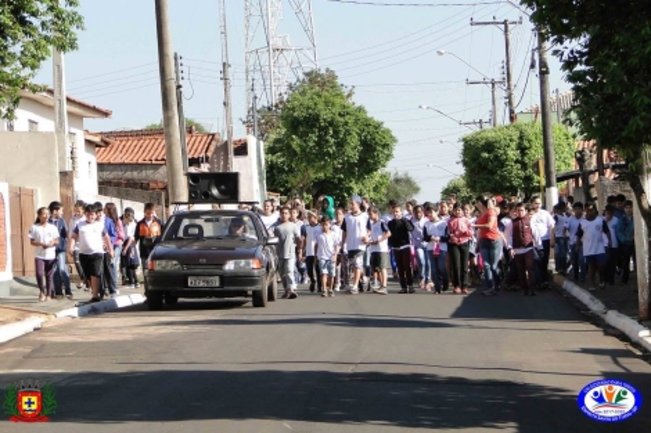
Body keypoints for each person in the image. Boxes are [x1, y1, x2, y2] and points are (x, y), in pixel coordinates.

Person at [68, 204, 113, 302]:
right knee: (87, 275)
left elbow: (107, 238)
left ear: (96, 215)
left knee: (95, 273)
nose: (90, 216)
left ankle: (95, 295)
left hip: (97, 253)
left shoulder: (100, 225)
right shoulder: (80, 225)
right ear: (85, 214)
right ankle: (95, 291)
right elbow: (73, 237)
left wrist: (111, 250)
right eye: (88, 214)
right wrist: (71, 247)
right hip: (83, 254)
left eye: (92, 214)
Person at [577, 203, 610, 291]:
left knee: (601, 265)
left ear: (595, 210)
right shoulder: (582, 223)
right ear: (585, 211)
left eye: (591, 210)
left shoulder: (600, 220)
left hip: (600, 248)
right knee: (591, 267)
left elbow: (607, 232)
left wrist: (609, 242)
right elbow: (578, 235)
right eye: (587, 210)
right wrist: (577, 245)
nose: (589, 212)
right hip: (588, 249)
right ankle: (592, 284)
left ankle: (602, 280)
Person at [29, 207, 59, 302]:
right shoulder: (34, 227)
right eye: (44, 214)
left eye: (47, 214)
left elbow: (57, 240)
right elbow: (32, 242)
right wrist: (41, 244)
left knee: (49, 275)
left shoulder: (53, 227)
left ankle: (49, 294)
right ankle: (42, 291)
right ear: (39, 215)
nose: (46, 216)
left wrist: (51, 243)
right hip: (39, 255)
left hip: (50, 254)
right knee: (39, 273)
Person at [473, 195, 502, 296]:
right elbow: (481, 231)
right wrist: (478, 243)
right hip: (483, 241)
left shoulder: (491, 212)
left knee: (493, 266)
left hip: (494, 241)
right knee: (486, 265)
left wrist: (474, 225)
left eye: (477, 202)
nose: (476, 204)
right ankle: (489, 287)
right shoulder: (481, 214)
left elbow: (490, 225)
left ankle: (497, 284)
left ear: (481, 202)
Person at [341, 196, 370, 295]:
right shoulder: (347, 217)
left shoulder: (365, 216)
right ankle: (364, 278)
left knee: (357, 263)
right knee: (354, 265)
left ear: (358, 204)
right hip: (350, 245)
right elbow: (344, 231)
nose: (351, 206)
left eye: (352, 204)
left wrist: (367, 236)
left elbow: (370, 229)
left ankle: (355, 285)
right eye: (350, 204)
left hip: (360, 245)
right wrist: (342, 243)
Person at [274, 206, 302, 299]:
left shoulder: (293, 226)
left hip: (290, 253)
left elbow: (298, 238)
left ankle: (291, 289)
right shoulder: (276, 227)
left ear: (289, 215)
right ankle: (287, 289)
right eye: (282, 213)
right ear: (280, 214)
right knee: (282, 273)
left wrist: (300, 249)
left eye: (286, 213)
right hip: (279, 253)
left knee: (289, 270)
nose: (284, 215)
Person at [511, 203, 538, 296]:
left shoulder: (530, 221)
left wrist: (539, 246)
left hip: (528, 248)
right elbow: (508, 236)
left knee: (530, 268)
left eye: (522, 210)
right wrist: (510, 248)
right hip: (518, 250)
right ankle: (525, 288)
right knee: (521, 270)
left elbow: (535, 233)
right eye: (518, 210)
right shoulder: (512, 223)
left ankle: (532, 288)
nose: (520, 212)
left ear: (526, 211)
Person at [388, 204, 415, 293]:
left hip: (405, 246)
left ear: (401, 212)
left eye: (397, 212)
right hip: (396, 247)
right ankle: (403, 287)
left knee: (407, 266)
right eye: (394, 212)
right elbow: (390, 235)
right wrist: (390, 245)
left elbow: (411, 228)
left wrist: (403, 219)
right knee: (400, 268)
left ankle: (410, 285)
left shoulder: (405, 221)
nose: (395, 213)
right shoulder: (390, 223)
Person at [447, 204, 473, 295]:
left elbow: (471, 233)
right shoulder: (450, 221)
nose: (458, 212)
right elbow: (449, 232)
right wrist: (453, 238)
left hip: (465, 243)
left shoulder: (466, 221)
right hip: (454, 244)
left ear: (462, 211)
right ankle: (457, 286)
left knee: (464, 266)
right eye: (456, 210)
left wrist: (465, 231)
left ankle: (464, 286)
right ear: (453, 211)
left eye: (459, 210)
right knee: (456, 266)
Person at [529, 195, 555, 287]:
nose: (538, 205)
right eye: (536, 203)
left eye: (539, 203)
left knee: (544, 261)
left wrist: (552, 239)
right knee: (536, 261)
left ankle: (544, 280)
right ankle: (538, 281)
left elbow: (551, 226)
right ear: (532, 204)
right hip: (532, 242)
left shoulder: (545, 213)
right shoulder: (529, 214)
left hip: (545, 240)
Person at [48, 201, 72, 299]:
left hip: (61, 248)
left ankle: (68, 290)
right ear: (55, 211)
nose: (62, 212)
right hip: (50, 249)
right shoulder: (47, 222)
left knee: (62, 269)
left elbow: (67, 234)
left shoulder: (62, 221)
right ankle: (58, 292)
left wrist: (69, 242)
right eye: (61, 210)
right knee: (54, 270)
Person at [366, 206, 391, 295]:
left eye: (371, 214)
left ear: (376, 213)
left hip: (381, 249)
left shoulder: (381, 222)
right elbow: (372, 235)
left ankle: (384, 286)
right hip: (374, 249)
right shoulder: (372, 225)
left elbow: (388, 233)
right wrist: (370, 241)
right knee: (376, 268)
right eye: (368, 214)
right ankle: (381, 285)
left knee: (383, 267)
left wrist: (379, 240)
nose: (369, 216)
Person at [424, 206, 449, 294]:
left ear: (436, 212)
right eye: (428, 213)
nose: (430, 215)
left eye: (431, 212)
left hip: (442, 248)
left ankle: (445, 281)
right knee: (434, 269)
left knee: (441, 267)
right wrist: (431, 237)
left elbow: (447, 237)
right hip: (431, 248)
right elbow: (425, 237)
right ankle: (437, 288)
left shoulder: (443, 223)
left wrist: (440, 238)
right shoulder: (426, 224)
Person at [104, 202, 124, 297]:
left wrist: (116, 233)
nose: (104, 211)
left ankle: (114, 287)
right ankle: (109, 286)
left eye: (105, 209)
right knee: (109, 265)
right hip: (109, 245)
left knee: (113, 264)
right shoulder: (105, 220)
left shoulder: (117, 221)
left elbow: (122, 235)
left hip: (116, 244)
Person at [315, 216, 339, 297]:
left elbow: (337, 245)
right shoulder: (319, 235)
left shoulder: (333, 234)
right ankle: (324, 289)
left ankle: (331, 289)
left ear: (329, 225)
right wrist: (316, 256)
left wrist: (335, 254)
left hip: (331, 257)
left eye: (326, 224)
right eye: (323, 225)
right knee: (323, 273)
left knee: (331, 274)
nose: (324, 226)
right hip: (322, 256)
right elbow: (316, 245)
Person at [135, 203, 163, 270]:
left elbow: (164, 235)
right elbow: (136, 237)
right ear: (144, 212)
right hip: (144, 251)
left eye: (152, 213)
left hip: (156, 251)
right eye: (148, 213)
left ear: (154, 213)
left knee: (156, 270)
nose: (150, 215)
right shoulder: (140, 224)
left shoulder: (159, 223)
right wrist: (133, 250)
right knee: (146, 270)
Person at [301, 211, 323, 293]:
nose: (309, 219)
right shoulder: (306, 227)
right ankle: (313, 281)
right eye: (308, 217)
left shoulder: (320, 227)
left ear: (315, 217)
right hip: (309, 251)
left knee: (318, 269)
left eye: (311, 217)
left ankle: (320, 286)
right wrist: (302, 251)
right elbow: (303, 240)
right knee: (309, 270)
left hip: (318, 252)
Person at [410, 205, 430, 290]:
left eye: (420, 212)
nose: (418, 214)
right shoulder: (411, 221)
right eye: (416, 212)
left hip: (428, 244)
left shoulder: (427, 220)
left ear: (423, 212)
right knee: (421, 261)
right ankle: (422, 278)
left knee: (428, 263)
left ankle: (428, 280)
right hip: (418, 245)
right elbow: (410, 233)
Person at [69, 200, 87, 290]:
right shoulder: (73, 219)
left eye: (79, 211)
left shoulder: (86, 219)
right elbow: (71, 231)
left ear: (83, 210)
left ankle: (86, 281)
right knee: (77, 262)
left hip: (84, 244)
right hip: (76, 244)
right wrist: (70, 244)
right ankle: (83, 279)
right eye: (76, 210)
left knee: (85, 264)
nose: (77, 212)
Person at [616, 200, 635, 284]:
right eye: (626, 208)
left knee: (637, 262)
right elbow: (619, 232)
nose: (629, 209)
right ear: (624, 209)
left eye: (630, 207)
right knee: (625, 263)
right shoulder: (621, 220)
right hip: (625, 244)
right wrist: (627, 239)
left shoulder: (636, 218)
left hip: (635, 243)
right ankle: (624, 280)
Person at [120, 208, 140, 288]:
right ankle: (131, 281)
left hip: (130, 243)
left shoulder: (133, 224)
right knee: (126, 264)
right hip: (123, 242)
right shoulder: (121, 222)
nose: (129, 222)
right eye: (128, 220)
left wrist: (125, 248)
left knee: (131, 263)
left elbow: (131, 238)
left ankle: (134, 282)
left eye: (131, 220)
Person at [603, 204, 619, 285]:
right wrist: (605, 221)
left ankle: (611, 279)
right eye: (607, 212)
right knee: (605, 262)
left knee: (612, 263)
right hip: (605, 245)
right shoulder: (601, 220)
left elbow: (618, 232)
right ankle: (605, 278)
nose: (609, 214)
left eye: (610, 213)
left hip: (614, 245)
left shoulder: (616, 220)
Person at [552, 203, 570, 275]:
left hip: (566, 237)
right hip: (559, 237)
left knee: (565, 254)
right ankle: (560, 268)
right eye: (564, 208)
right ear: (561, 208)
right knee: (561, 254)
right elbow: (553, 227)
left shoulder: (565, 216)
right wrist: (553, 237)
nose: (565, 209)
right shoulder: (556, 217)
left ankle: (564, 268)